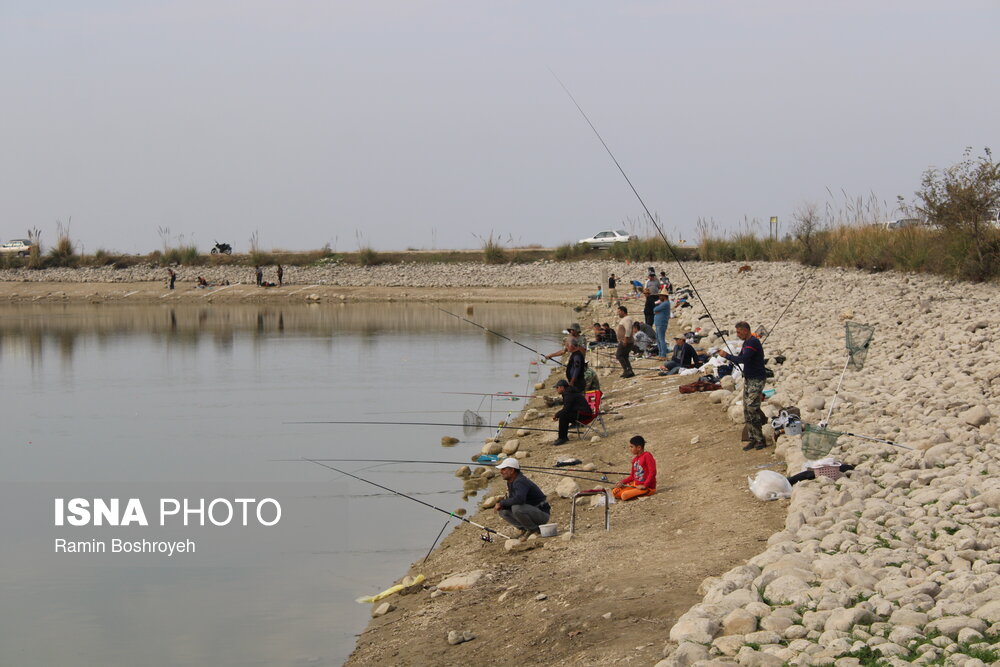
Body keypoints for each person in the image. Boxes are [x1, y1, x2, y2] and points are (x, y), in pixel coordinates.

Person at [719, 321, 767, 451]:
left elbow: (744, 359)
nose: (738, 335)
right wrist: (730, 357)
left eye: (739, 332)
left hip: (757, 379)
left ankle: (760, 439)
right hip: (749, 379)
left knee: (752, 408)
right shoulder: (747, 343)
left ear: (746, 330)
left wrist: (727, 356)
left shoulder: (752, 343)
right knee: (746, 408)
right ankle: (752, 438)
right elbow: (740, 357)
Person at [493, 457, 551, 538]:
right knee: (503, 510)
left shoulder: (520, 481)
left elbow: (519, 499)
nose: (501, 472)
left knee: (516, 508)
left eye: (503, 469)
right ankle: (524, 529)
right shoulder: (511, 481)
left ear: (512, 470)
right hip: (531, 511)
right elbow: (513, 500)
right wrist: (502, 505)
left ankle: (534, 530)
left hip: (542, 515)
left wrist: (501, 502)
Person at [613, 435, 657, 501]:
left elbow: (652, 472)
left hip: (647, 488)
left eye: (631, 447)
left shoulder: (647, 456)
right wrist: (622, 482)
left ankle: (645, 492)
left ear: (639, 448)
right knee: (615, 491)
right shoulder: (635, 460)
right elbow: (632, 476)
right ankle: (631, 491)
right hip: (636, 485)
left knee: (624, 496)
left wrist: (645, 485)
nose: (630, 449)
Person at [551, 379, 593, 445]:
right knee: (564, 414)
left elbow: (566, 409)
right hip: (583, 413)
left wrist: (556, 415)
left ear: (562, 387)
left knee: (563, 415)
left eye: (557, 387)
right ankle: (563, 437)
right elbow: (568, 408)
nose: (556, 389)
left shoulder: (568, 394)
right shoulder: (569, 391)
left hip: (584, 415)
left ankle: (562, 438)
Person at [615, 306, 635, 378]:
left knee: (619, 355)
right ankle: (629, 371)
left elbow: (628, 330)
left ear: (623, 311)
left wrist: (625, 340)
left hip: (626, 341)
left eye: (619, 312)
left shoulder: (627, 319)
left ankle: (627, 370)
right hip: (625, 340)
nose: (618, 313)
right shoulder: (625, 319)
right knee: (624, 356)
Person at [653, 293, 671, 357]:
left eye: (661, 296)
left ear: (664, 296)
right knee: (658, 339)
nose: (659, 297)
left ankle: (663, 354)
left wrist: (657, 311)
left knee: (661, 339)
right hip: (658, 323)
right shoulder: (663, 303)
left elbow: (655, 309)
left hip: (661, 323)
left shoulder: (665, 303)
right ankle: (661, 354)